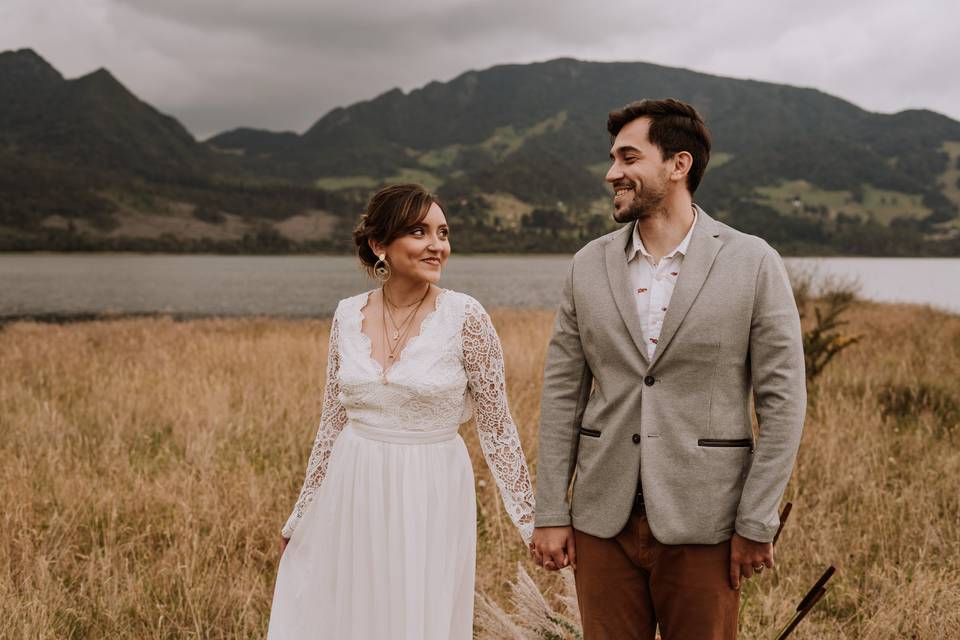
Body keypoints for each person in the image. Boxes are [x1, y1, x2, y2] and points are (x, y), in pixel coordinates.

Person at [530, 99, 807, 640]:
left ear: (678, 165)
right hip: (600, 519)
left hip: (706, 520)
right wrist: (550, 511)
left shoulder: (753, 262)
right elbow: (562, 395)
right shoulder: (587, 265)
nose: (612, 172)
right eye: (612, 158)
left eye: (629, 157)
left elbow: (783, 402)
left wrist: (756, 520)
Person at [267, 183, 535, 640]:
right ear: (379, 245)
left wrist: (533, 522)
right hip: (352, 484)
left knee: (414, 613)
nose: (437, 246)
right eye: (419, 232)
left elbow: (497, 426)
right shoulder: (346, 314)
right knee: (342, 611)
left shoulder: (466, 317)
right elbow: (332, 421)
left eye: (443, 233)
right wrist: (302, 512)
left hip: (430, 486)